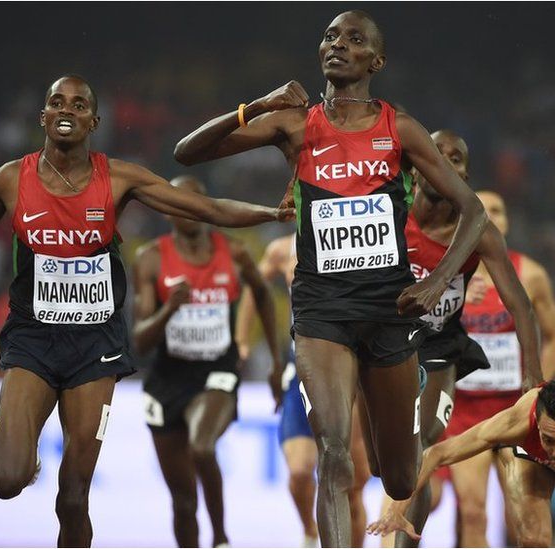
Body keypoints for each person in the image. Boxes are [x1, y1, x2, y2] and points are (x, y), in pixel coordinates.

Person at [0, 75, 287, 547]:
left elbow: (203, 208)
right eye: (57, 102)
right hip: (33, 339)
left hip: (95, 346)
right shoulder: (10, 180)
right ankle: (25, 453)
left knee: (74, 496)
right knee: (7, 480)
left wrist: (269, 213)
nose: (68, 109)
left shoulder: (119, 177)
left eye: (79, 104)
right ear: (43, 116)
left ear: (94, 121)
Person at [173, 10, 487, 546]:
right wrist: (258, 106)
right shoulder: (295, 124)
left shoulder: (399, 127)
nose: (337, 44)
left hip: (389, 310)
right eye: (329, 36)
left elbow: (472, 210)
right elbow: (188, 152)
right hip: (321, 311)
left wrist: (435, 282)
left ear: (376, 60)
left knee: (401, 476)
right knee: (334, 451)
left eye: (354, 39)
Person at [386, 129, 542, 547]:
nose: (444, 163)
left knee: (422, 446)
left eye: (455, 159)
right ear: (415, 168)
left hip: (439, 349)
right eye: (435, 153)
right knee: (384, 466)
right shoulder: (390, 214)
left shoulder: (481, 234)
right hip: (385, 346)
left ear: (464, 177)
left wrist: (533, 383)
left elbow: (524, 309)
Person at [132, 175, 285, 547]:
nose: (192, 208)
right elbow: (139, 341)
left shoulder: (233, 252)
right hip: (167, 378)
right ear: (169, 211)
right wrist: (170, 309)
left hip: (217, 370)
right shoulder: (150, 259)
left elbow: (263, 297)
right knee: (183, 503)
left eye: (199, 200)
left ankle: (220, 538)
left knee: (202, 446)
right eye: (181, 201)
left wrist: (276, 362)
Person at [368, 377, 555, 547]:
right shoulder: (516, 421)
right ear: (536, 422)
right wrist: (396, 509)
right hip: (530, 459)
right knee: (535, 540)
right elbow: (437, 454)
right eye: (550, 439)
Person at [233, 234, 371, 548]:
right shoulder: (283, 250)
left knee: (352, 486)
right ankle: (310, 531)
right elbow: (255, 286)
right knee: (298, 471)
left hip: (353, 375)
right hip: (304, 372)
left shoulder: (357, 240)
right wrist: (241, 341)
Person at [445, 189, 555, 547]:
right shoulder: (445, 274)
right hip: (464, 412)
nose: (490, 217)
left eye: (497, 210)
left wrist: (539, 388)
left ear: (507, 221)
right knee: (472, 511)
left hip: (514, 411)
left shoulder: (530, 275)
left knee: (522, 516)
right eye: (481, 210)